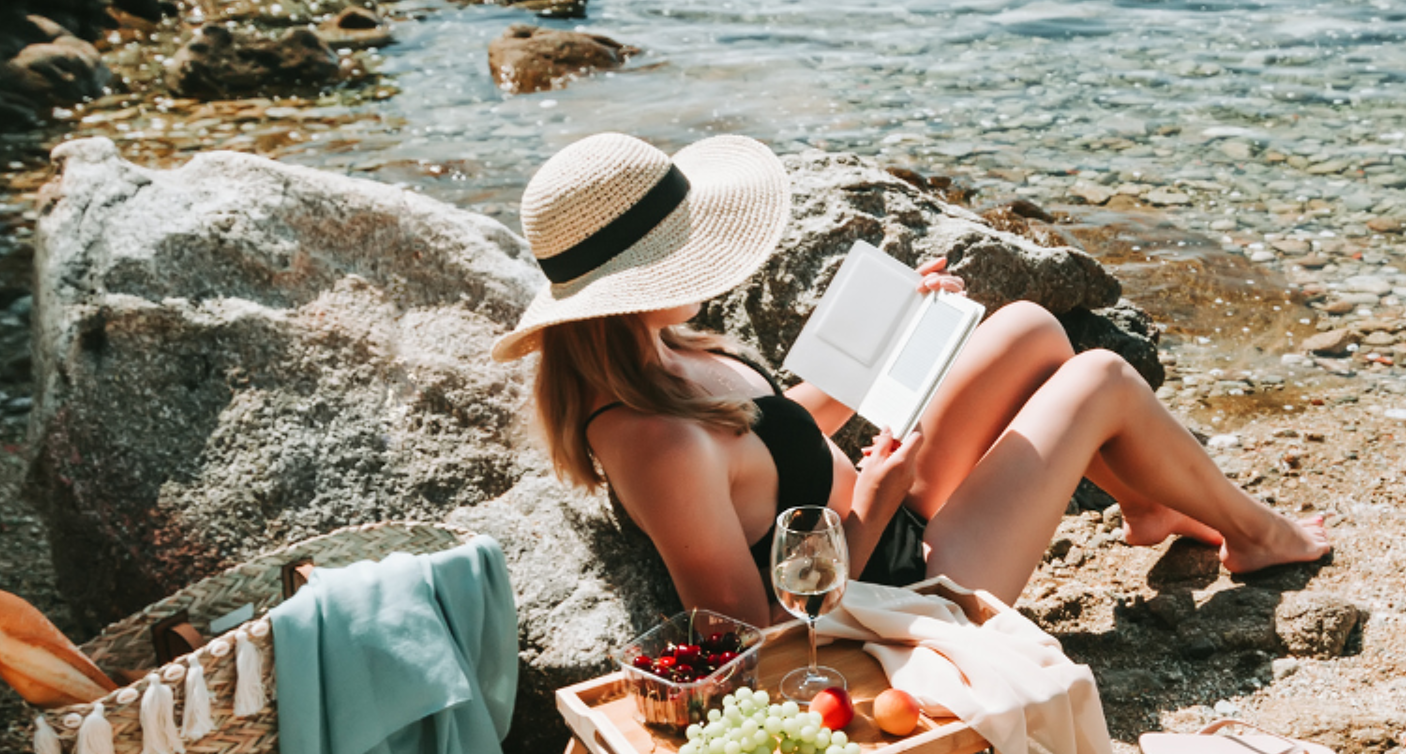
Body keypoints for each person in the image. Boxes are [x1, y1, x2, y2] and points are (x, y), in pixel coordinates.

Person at [493, 133, 1326, 627]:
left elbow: (780, 435)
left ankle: (1147, 507)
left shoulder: (661, 352)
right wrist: (879, 497)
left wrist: (897, 334)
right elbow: (760, 632)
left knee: (1031, 329)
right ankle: (1256, 536)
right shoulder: (655, 441)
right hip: (895, 594)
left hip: (882, 524)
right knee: (1102, 375)